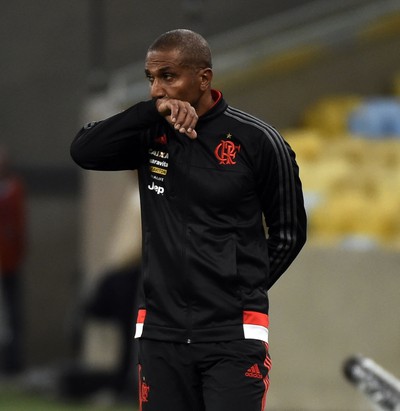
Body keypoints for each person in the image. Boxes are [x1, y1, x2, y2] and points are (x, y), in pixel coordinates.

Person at [71, 29, 307, 411]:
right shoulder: (149, 132)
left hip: (233, 334)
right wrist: (150, 113)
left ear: (204, 78)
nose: (156, 89)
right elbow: (84, 151)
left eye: (168, 76)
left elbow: (288, 234)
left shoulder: (260, 141)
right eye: (151, 79)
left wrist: (238, 286)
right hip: (161, 332)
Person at [0, 146, 26, 375]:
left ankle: (12, 364)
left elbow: (18, 227)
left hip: (9, 263)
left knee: (12, 315)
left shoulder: (14, 187)